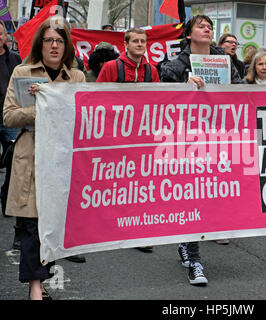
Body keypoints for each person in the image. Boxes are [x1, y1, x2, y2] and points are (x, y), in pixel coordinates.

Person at [3, 17, 86, 299]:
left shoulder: (76, 77)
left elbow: (85, 120)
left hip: (61, 161)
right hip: (30, 160)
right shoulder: (22, 72)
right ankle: (35, 289)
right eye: (49, 40)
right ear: (41, 43)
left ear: (66, 46)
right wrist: (39, 109)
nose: (54, 45)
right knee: (31, 227)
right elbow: (9, 116)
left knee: (52, 228)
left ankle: (41, 280)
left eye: (59, 40)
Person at [160, 15, 240, 285]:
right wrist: (185, 88)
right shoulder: (174, 66)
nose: (207, 29)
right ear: (189, 34)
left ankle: (185, 240)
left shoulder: (225, 62)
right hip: (184, 141)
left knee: (207, 199)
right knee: (192, 197)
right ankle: (194, 261)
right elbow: (160, 100)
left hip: (217, 139)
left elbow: (241, 92)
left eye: (210, 27)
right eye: (201, 26)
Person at [97, 28, 159, 253]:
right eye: (136, 41)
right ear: (126, 44)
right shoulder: (111, 67)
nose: (140, 44)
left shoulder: (152, 70)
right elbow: (98, 102)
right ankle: (108, 227)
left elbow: (159, 104)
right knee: (114, 185)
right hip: (116, 137)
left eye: (143, 41)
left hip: (142, 138)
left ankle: (139, 233)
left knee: (140, 187)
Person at [0, 20, 21, 217]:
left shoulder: (15, 60)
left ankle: (6, 200)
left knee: (12, 161)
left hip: (10, 119)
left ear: (5, 36)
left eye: (0, 33)